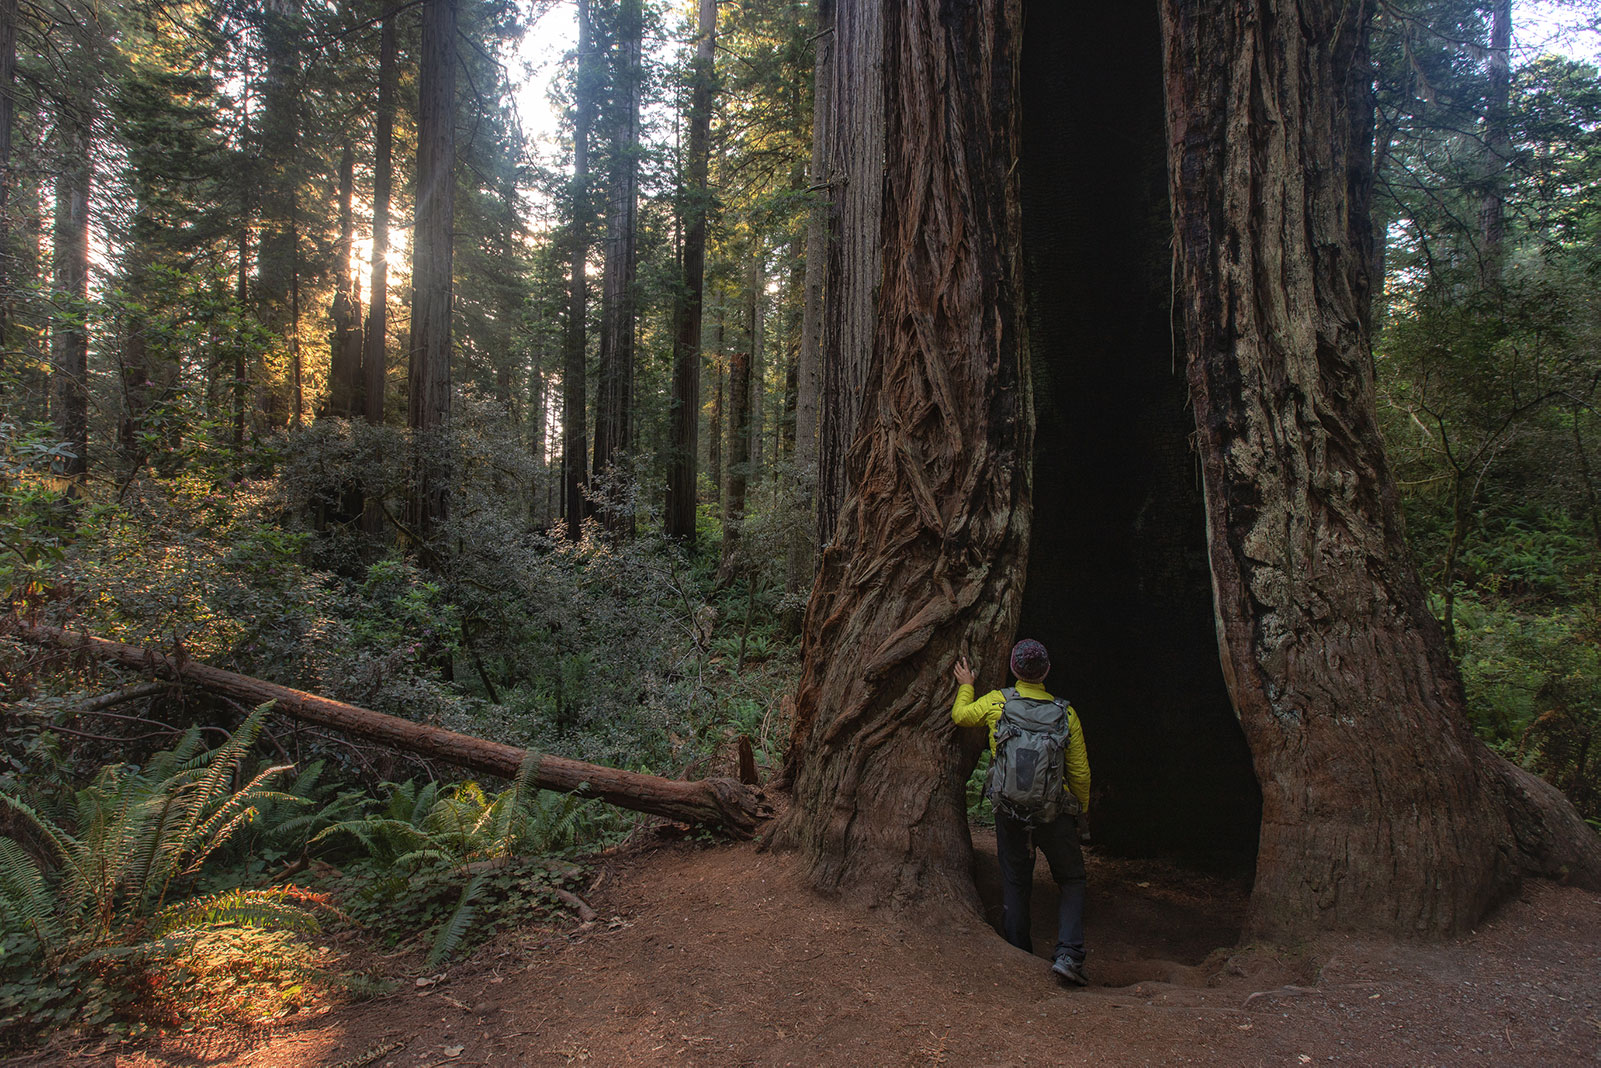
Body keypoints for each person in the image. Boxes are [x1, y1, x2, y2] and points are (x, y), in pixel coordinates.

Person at [952, 638, 1091, 985]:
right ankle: (1069, 955)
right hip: (1052, 813)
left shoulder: (999, 701)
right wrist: (1080, 810)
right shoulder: (1065, 713)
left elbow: (960, 716)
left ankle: (1017, 951)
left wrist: (967, 686)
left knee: (1015, 878)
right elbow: (1080, 773)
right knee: (1072, 879)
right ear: (1045, 672)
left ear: (1014, 669)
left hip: (1010, 810)